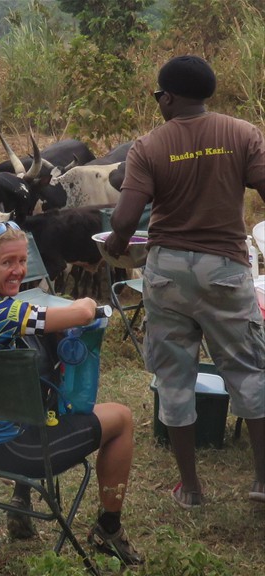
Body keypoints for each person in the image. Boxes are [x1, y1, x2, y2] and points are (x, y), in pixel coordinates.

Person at [106, 55, 265, 509]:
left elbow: (124, 218)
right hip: (225, 270)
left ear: (169, 97)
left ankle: (191, 489)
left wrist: (117, 243)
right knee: (249, 372)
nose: (158, 102)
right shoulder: (242, 133)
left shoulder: (149, 146)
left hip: (168, 272)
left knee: (175, 379)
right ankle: (261, 482)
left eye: (159, 95)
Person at [0, 220, 143, 565]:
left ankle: (22, 500)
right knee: (122, 418)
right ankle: (109, 528)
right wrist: (85, 301)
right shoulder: (6, 313)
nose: (19, 270)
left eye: (22, 261)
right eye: (8, 262)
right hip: (15, 451)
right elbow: (81, 313)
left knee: (34, 364)